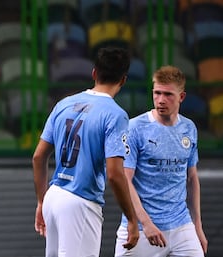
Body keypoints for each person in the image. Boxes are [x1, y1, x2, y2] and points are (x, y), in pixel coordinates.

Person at [32, 46, 139, 257]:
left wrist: (41, 201)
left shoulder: (64, 104)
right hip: (80, 201)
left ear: (94, 73)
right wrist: (132, 219)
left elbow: (38, 156)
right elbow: (115, 174)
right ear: (123, 80)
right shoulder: (115, 115)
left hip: (53, 196)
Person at [114, 65, 208, 257]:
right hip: (141, 229)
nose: (160, 100)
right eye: (157, 93)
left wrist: (197, 226)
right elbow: (125, 180)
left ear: (181, 97)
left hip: (181, 226)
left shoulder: (189, 128)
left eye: (168, 94)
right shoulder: (134, 128)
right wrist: (146, 224)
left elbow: (191, 179)